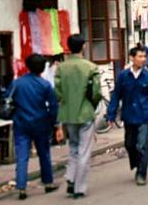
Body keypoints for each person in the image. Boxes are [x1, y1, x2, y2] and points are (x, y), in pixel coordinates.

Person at [107, 47, 148, 186]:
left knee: (142, 145)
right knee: (130, 144)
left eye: (144, 56)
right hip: (128, 115)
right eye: (140, 56)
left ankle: (141, 173)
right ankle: (136, 163)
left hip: (144, 116)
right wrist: (111, 115)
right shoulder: (123, 76)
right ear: (132, 58)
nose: (143, 59)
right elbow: (116, 96)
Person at [54, 35, 101, 199]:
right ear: (84, 47)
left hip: (67, 113)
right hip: (85, 112)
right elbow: (96, 92)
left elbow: (57, 92)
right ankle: (79, 187)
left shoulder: (61, 68)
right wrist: (93, 105)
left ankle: (70, 177)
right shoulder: (90, 67)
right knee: (84, 150)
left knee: (73, 147)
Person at [11, 54, 59, 200]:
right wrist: (55, 123)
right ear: (42, 68)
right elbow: (53, 105)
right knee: (44, 153)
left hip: (21, 123)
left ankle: (21, 187)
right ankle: (48, 182)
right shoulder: (44, 84)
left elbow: (8, 98)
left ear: (27, 66)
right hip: (40, 123)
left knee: (22, 156)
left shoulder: (17, 83)